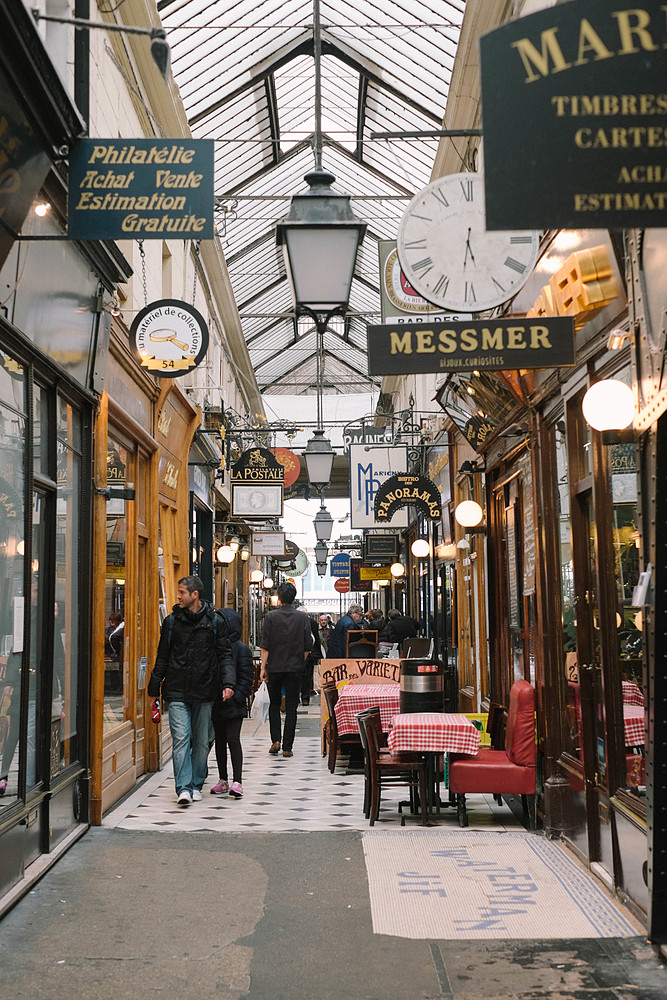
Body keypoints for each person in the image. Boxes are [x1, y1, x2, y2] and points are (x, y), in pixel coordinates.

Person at [147, 575, 235, 806]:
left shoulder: (215, 622)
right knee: (181, 738)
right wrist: (153, 689)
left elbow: (225, 655)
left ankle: (196, 783)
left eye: (182, 592)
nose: (178, 596)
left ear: (195, 595)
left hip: (205, 690)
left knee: (202, 740)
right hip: (176, 689)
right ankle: (183, 787)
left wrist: (228, 684)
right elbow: (162, 656)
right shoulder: (172, 622)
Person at [259, 581, 313, 757]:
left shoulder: (271, 617)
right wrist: (299, 660)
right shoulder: (302, 617)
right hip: (295, 668)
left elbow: (265, 645)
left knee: (274, 704)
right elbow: (308, 645)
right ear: (294, 598)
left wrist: (262, 668)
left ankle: (276, 740)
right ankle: (288, 747)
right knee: (291, 706)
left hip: (274, 666)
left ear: (279, 598)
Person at [210, 608, 253, 798]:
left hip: (234, 704)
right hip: (217, 702)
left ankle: (237, 781)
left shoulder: (241, 649)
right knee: (219, 741)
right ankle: (223, 780)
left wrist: (236, 696)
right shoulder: (214, 646)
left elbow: (246, 677)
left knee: (233, 739)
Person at [301, 615, 323, 706]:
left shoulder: (312, 623)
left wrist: (319, 656)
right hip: (301, 654)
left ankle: (305, 697)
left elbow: (316, 639)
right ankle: (303, 698)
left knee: (307, 676)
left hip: (309, 654)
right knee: (304, 676)